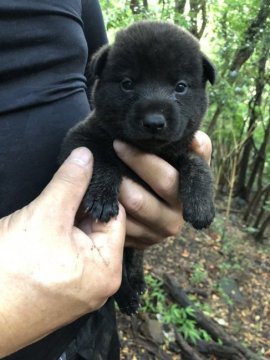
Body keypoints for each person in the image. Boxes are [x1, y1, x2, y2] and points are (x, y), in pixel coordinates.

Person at [0, 0, 212, 359]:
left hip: (89, 312)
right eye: (129, 84)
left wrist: (194, 178)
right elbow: (81, 143)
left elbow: (188, 170)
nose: (156, 113)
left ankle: (131, 279)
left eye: (179, 87)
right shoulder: (96, 132)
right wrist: (103, 177)